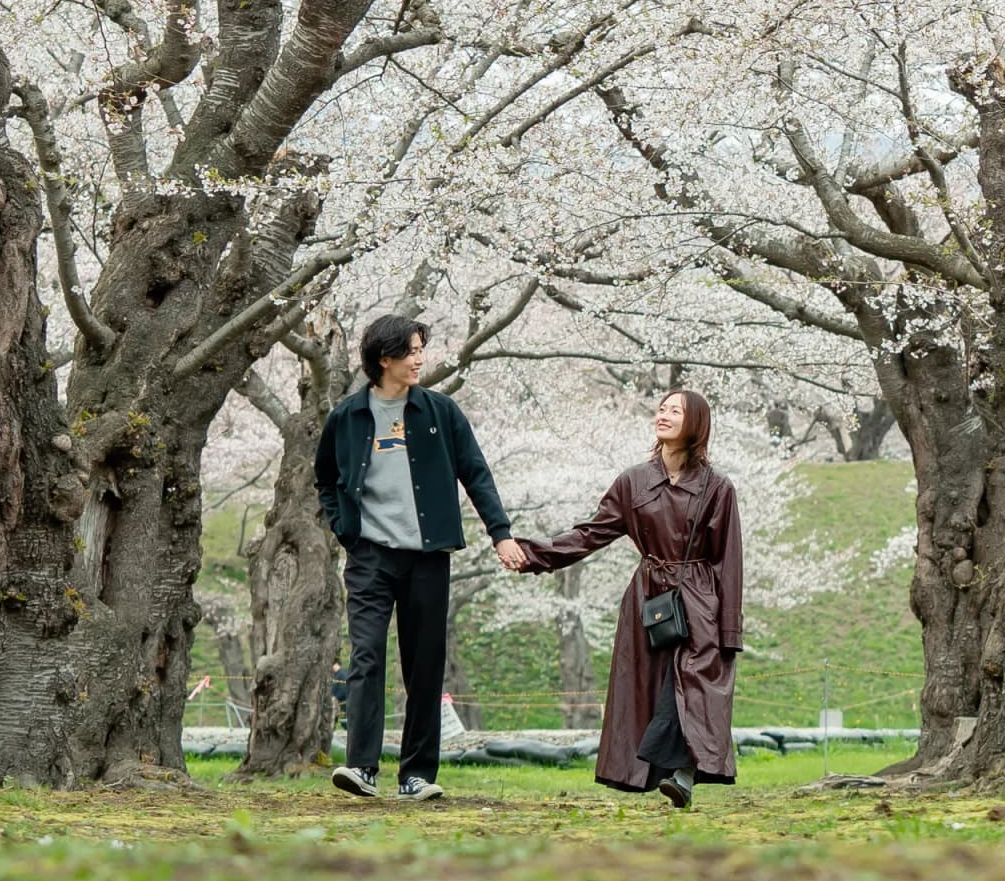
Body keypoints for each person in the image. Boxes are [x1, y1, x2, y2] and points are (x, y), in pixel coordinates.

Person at [504, 387, 744, 810]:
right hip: (649, 599)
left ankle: (684, 775)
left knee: (691, 682)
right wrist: (534, 555)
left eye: (676, 410)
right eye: (662, 408)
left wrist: (729, 628)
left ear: (697, 424)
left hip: (700, 597)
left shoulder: (718, 487)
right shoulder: (634, 480)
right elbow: (590, 533)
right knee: (649, 685)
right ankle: (659, 774)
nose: (664, 414)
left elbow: (729, 559)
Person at [311, 315, 515, 806]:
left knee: (424, 664)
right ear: (385, 359)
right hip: (370, 557)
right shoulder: (349, 415)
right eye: (411, 351)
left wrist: (500, 534)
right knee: (365, 657)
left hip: (427, 556)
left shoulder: (440, 412)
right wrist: (347, 531)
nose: (420, 359)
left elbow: (476, 473)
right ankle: (361, 767)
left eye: (422, 349)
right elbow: (325, 477)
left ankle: (416, 775)